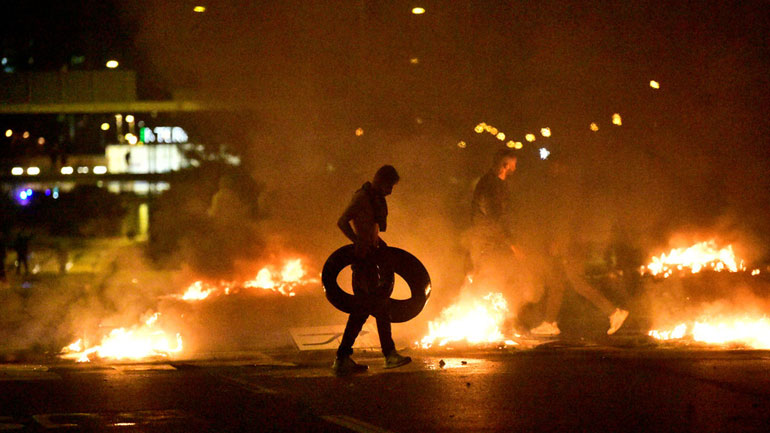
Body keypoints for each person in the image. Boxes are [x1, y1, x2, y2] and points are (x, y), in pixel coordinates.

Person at [528, 159, 629, 337]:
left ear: (561, 167)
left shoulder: (565, 191)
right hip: (571, 243)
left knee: (577, 282)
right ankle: (549, 323)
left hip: (571, 245)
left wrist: (560, 243)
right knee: (557, 282)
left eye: (554, 165)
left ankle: (614, 312)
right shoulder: (569, 188)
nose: (551, 169)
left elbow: (565, 220)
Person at [333, 165, 412, 376]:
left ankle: (343, 358)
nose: (390, 192)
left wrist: (377, 244)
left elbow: (372, 229)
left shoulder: (374, 199)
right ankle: (388, 355)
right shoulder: (362, 198)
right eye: (389, 186)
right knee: (378, 307)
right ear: (380, 181)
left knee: (362, 312)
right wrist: (357, 241)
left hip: (371, 259)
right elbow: (342, 221)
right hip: (363, 262)